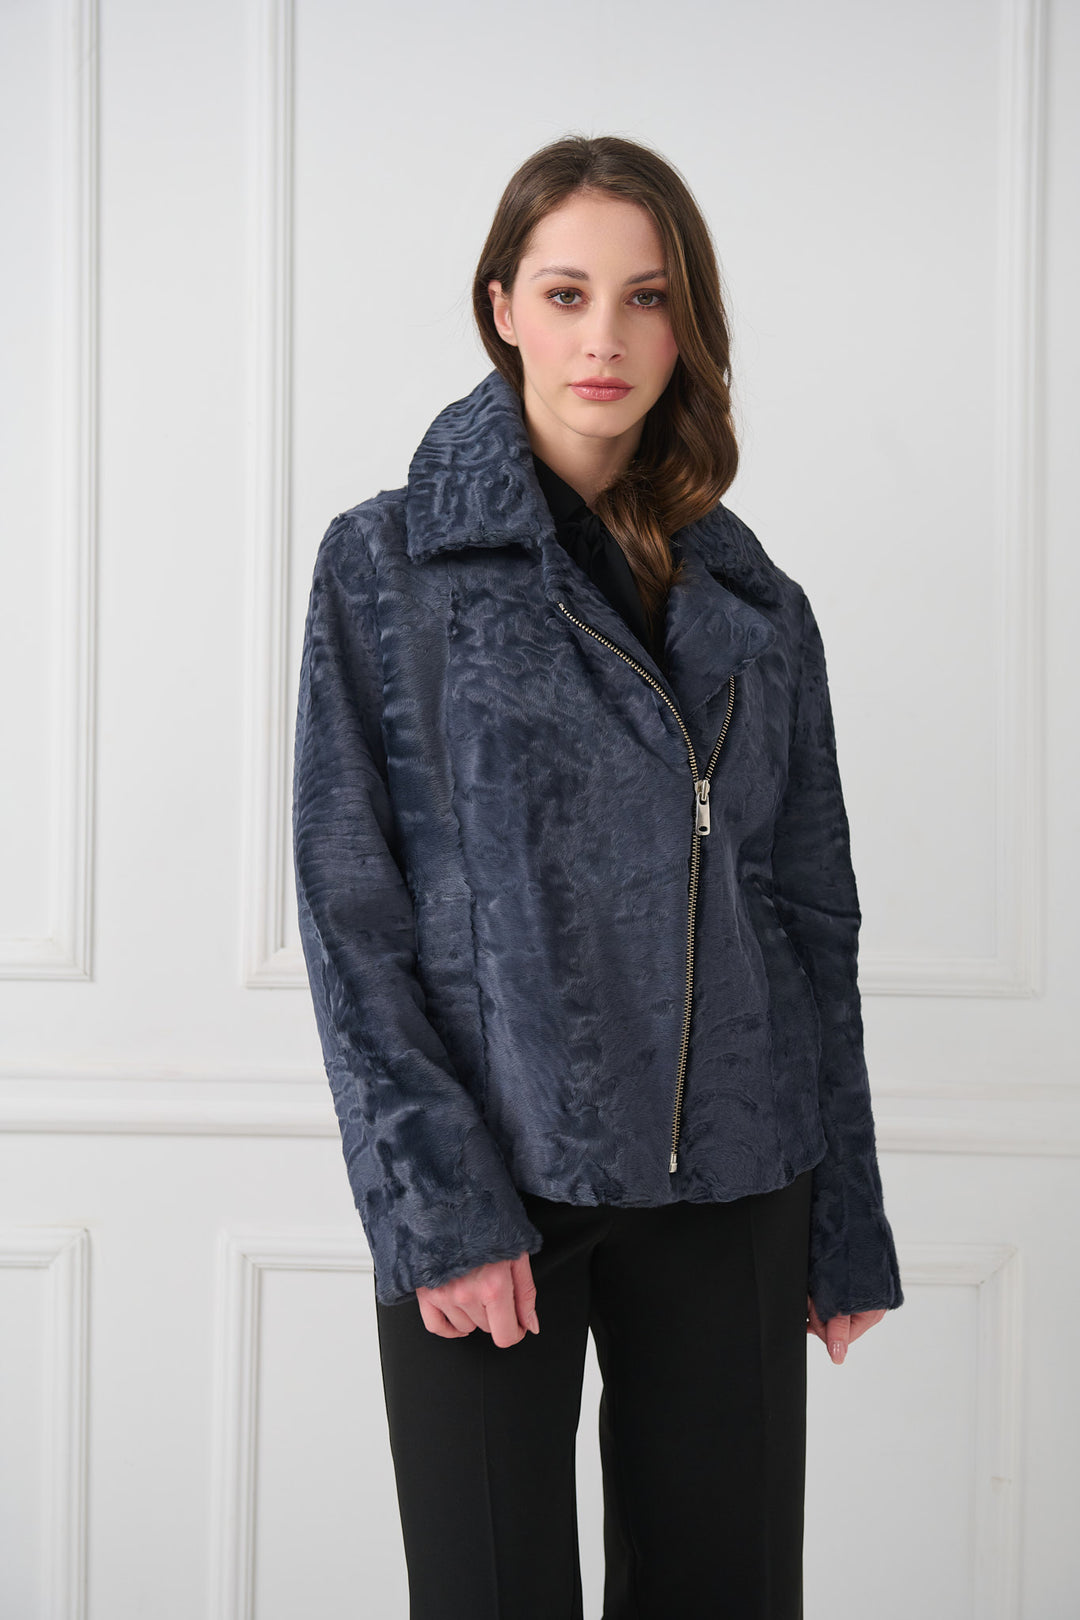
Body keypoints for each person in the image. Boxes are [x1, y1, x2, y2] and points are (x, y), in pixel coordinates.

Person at [292, 133, 904, 1620]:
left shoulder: (759, 602)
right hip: (499, 1177)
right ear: (503, 306)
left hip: (739, 1176)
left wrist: (844, 1217)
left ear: (686, 325)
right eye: (567, 294)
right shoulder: (389, 566)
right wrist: (440, 1209)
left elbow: (811, 917)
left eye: (647, 297)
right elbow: (352, 912)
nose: (605, 337)